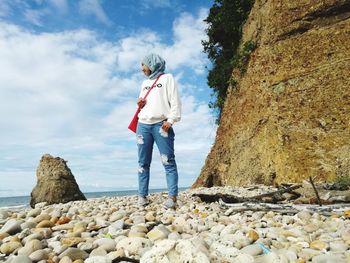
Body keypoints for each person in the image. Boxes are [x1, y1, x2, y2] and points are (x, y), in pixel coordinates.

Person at [136, 53, 181, 209]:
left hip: (162, 125)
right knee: (143, 163)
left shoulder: (167, 78)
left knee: (168, 161)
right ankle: (142, 196)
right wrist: (140, 103)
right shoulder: (144, 83)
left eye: (144, 65)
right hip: (143, 125)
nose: (142, 68)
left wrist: (171, 120)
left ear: (152, 64)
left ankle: (172, 197)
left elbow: (175, 100)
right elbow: (144, 103)